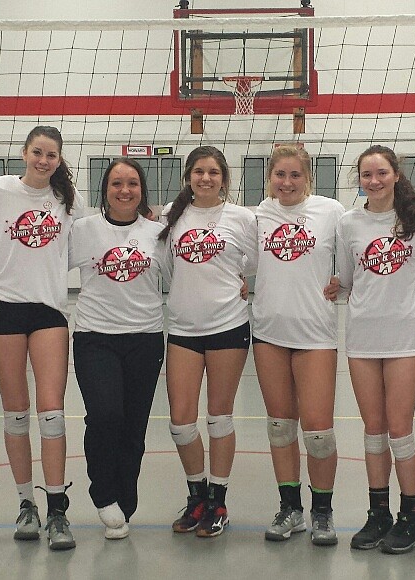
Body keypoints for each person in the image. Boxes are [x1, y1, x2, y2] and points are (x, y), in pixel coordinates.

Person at [0, 126, 85, 551]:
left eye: (51, 155)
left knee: (52, 413)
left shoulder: (68, 201)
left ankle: (57, 508)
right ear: (24, 153)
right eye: (37, 152)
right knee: (16, 412)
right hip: (3, 308)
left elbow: (87, 244)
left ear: (59, 160)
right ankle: (26, 505)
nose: (43, 160)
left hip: (49, 310)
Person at [337, 145, 415, 555]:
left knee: (400, 431)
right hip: (361, 338)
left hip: (404, 338)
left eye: (380, 173)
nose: (373, 181)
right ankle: (379, 513)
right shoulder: (348, 223)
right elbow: (345, 279)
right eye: (366, 174)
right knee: (373, 432)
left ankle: (411, 517)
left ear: (396, 174)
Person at [160, 145, 257, 538]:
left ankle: (217, 500)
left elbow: (253, 264)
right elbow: (166, 266)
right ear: (188, 177)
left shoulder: (242, 217)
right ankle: (196, 494)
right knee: (181, 423)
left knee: (219, 418)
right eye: (198, 172)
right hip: (183, 328)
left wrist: (239, 285)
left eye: (213, 172)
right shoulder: (172, 215)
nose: (205, 178)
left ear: (223, 178)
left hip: (228, 327)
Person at [252, 145, 345, 546]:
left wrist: (343, 281)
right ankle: (290, 507)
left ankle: (322, 512)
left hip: (315, 335)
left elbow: (351, 260)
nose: (286, 183)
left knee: (319, 432)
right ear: (269, 177)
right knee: (279, 426)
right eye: (279, 175)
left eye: (294, 176)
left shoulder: (331, 212)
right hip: (269, 332)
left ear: (307, 178)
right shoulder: (257, 215)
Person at [69, 158, 166, 540]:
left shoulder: (158, 234)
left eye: (132, 183)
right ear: (105, 190)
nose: (124, 190)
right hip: (96, 337)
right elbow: (43, 258)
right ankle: (103, 492)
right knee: (105, 415)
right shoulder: (83, 230)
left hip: (145, 338)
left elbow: (184, 273)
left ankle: (125, 498)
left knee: (133, 427)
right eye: (116, 184)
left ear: (142, 189)